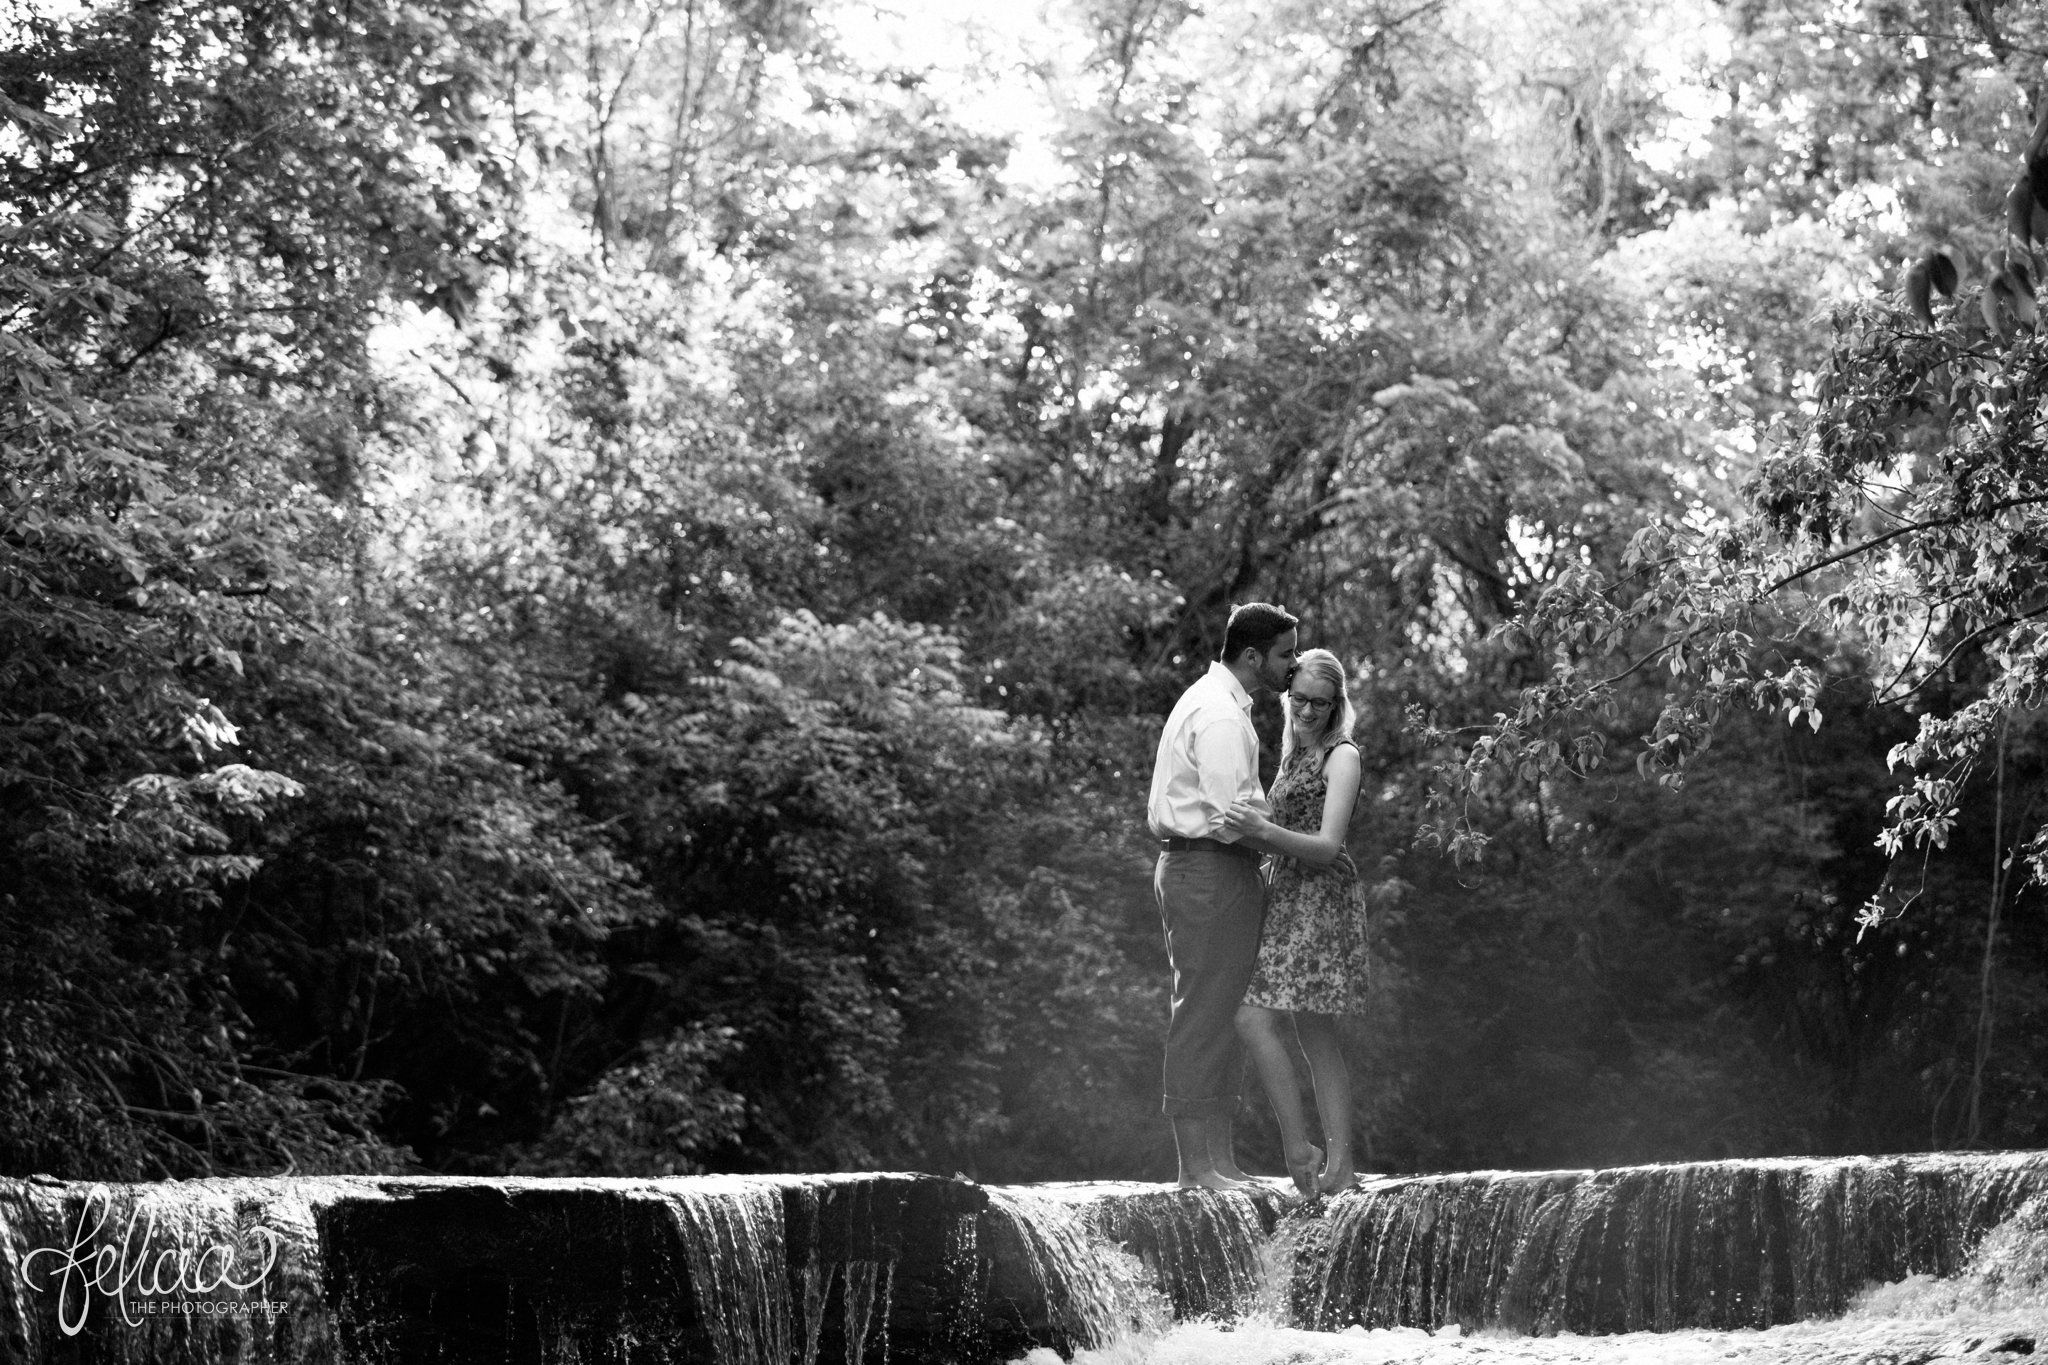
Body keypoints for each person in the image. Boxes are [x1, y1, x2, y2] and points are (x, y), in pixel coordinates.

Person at [1147, 602, 1299, 1191]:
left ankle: (1221, 1162)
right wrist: (1284, 823)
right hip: (1206, 868)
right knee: (1204, 1008)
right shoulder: (1216, 715)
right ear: (1253, 655)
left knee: (1228, 1008)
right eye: (1285, 654)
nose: (1291, 665)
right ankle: (1194, 1169)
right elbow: (1230, 813)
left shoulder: (1223, 705)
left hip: (1219, 869)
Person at [1223, 647, 1370, 1197]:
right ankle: (1330, 1162)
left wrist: (1262, 834)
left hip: (1322, 898)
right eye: (1299, 699)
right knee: (1309, 1032)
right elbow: (1282, 821)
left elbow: (1328, 846)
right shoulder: (1293, 754)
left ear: (1336, 706)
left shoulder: (1342, 755)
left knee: (1264, 1020)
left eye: (1320, 704)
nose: (1307, 711)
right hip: (1288, 894)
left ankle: (1328, 1159)